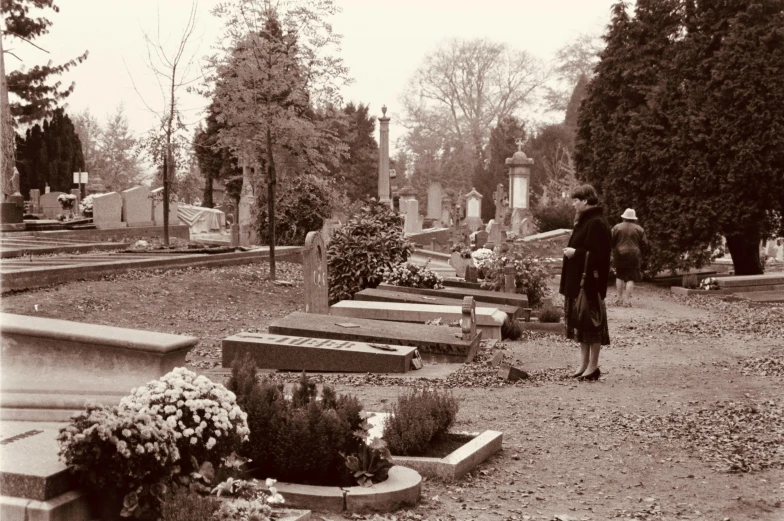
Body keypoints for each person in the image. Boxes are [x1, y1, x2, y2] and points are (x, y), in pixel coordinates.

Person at [560, 185, 612, 381]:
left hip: (590, 284)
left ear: (585, 200)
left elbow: (601, 254)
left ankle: (593, 366)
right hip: (579, 283)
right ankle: (583, 364)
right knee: (581, 326)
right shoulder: (584, 220)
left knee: (592, 325)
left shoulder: (596, 222)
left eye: (576, 200)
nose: (573, 203)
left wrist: (576, 253)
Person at [611, 208, 649, 306]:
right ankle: (627, 301)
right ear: (634, 218)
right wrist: (641, 252)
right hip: (634, 255)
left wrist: (614, 249)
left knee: (619, 276)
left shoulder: (617, 227)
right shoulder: (639, 229)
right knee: (630, 278)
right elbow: (645, 243)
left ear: (624, 217)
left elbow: (610, 241)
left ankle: (619, 299)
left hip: (619, 254)